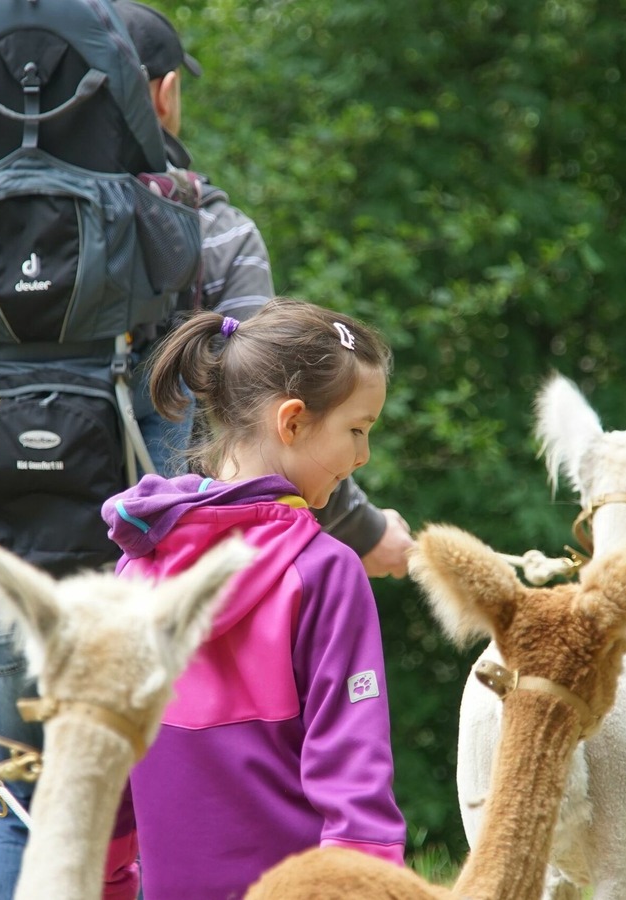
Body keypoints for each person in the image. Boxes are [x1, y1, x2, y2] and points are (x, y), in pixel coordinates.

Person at [0, 4, 414, 897]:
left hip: (21, 558)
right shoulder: (202, 225)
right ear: (155, 94)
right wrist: (362, 530)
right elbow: (282, 395)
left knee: (8, 789)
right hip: (166, 541)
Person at [103, 298, 407, 899]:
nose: (363, 456)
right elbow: (355, 782)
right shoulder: (324, 573)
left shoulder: (135, 573)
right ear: (291, 422)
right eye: (357, 430)